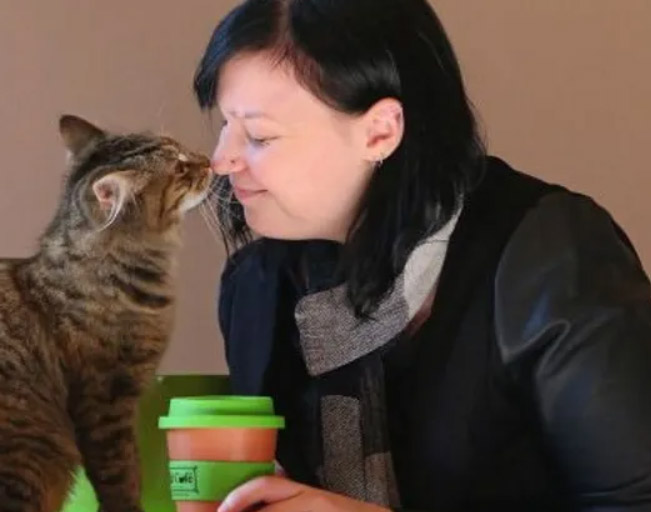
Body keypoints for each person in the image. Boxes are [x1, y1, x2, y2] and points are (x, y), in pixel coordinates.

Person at [192, 1, 651, 511]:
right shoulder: (255, 285)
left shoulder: (551, 257)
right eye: (225, 124)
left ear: (380, 131)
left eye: (259, 136)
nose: (221, 160)